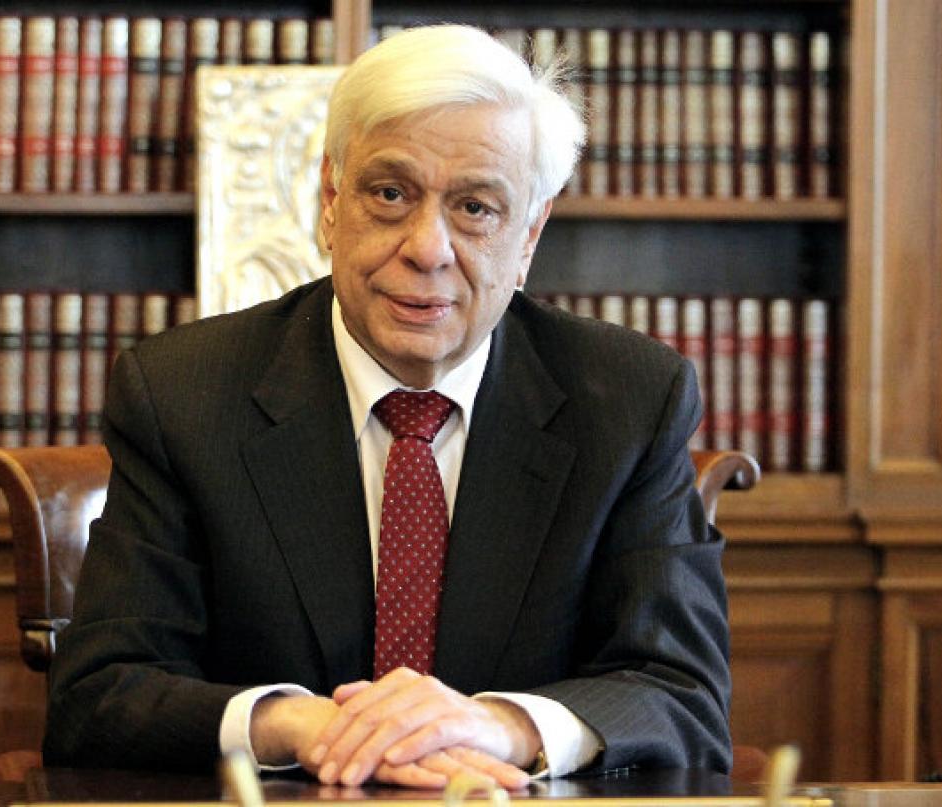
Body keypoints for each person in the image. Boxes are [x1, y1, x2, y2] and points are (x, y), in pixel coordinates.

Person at [43, 24, 731, 788]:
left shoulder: (628, 401)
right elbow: (98, 696)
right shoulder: (184, 393)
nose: (427, 248)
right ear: (330, 201)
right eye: (391, 194)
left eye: (475, 207)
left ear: (529, 236)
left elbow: (685, 696)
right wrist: (296, 724)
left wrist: (505, 725)